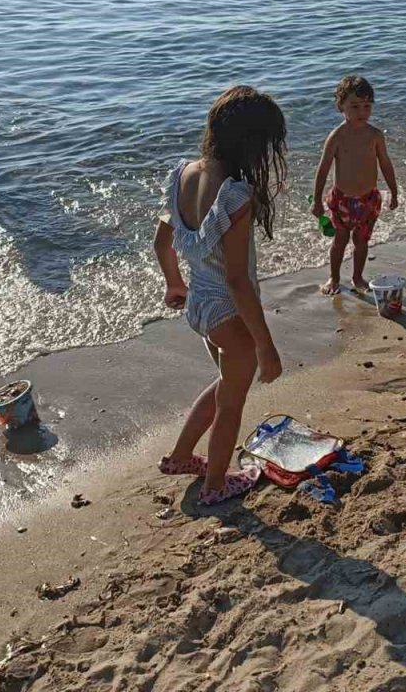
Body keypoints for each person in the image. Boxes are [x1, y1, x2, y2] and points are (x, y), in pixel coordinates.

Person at [153, 86, 288, 505]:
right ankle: (215, 484)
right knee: (233, 403)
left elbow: (162, 240)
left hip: (199, 305)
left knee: (224, 386)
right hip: (229, 313)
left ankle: (179, 456)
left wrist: (174, 284)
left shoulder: (183, 174)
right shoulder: (235, 195)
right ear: (251, 145)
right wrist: (266, 346)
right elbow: (237, 280)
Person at [312, 76, 399, 295]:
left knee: (361, 242)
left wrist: (394, 192)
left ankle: (358, 277)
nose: (362, 112)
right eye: (355, 106)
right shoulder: (337, 137)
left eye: (367, 106)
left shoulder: (375, 136)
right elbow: (322, 170)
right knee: (340, 241)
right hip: (342, 200)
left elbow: (386, 165)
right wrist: (316, 201)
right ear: (341, 106)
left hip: (368, 200)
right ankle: (334, 277)